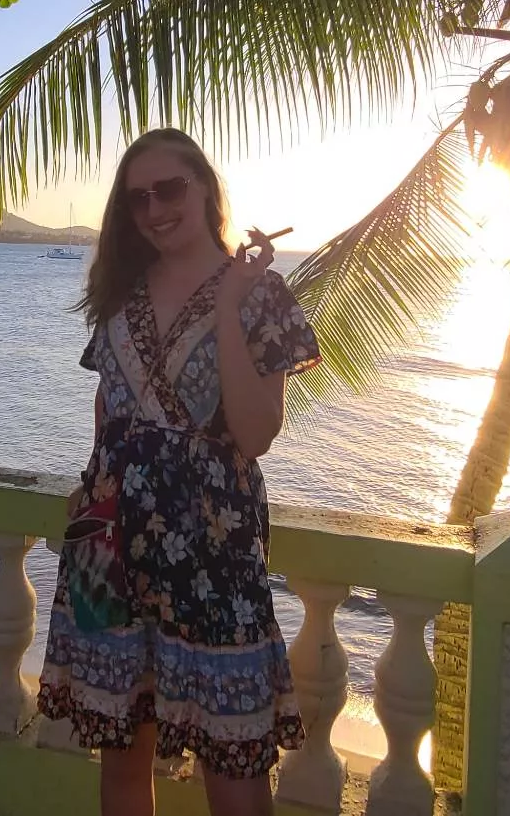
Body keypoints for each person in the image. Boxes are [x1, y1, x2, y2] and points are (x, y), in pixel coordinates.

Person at [39, 128, 321, 816]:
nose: (155, 209)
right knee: (120, 755)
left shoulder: (261, 295)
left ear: (204, 188)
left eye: (168, 189)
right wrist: (91, 482)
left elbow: (255, 434)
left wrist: (227, 306)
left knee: (233, 760)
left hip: (211, 547)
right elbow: (109, 399)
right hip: (111, 545)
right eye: (137, 199)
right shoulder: (122, 290)